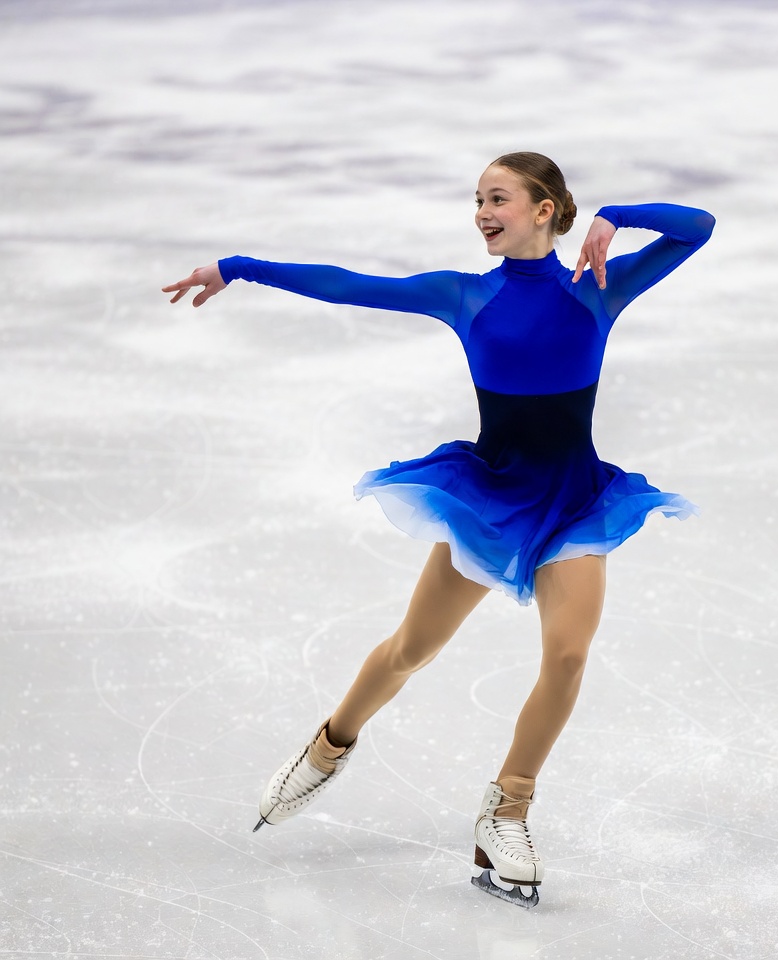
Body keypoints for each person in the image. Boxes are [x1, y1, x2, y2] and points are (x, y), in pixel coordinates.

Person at [163, 152, 715, 907]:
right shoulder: (465, 296)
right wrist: (238, 266)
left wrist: (617, 216)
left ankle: (507, 811)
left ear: (546, 209)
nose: (483, 212)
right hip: (488, 499)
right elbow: (352, 286)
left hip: (576, 500)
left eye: (499, 199)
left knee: (569, 653)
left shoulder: (599, 290)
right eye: (478, 200)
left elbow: (698, 227)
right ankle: (329, 747)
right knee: (412, 649)